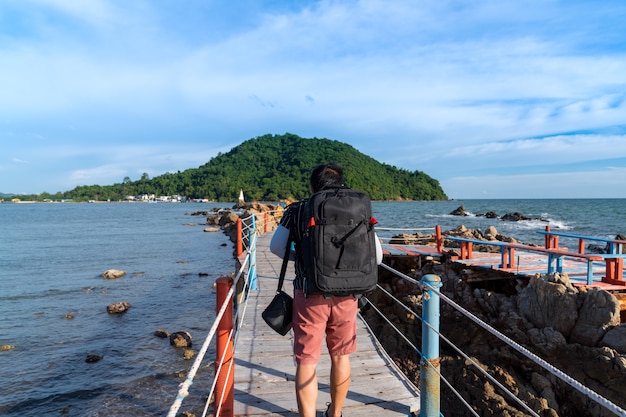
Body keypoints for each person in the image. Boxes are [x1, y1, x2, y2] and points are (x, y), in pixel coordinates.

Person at [270, 162, 383, 417]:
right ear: (341, 182)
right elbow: (377, 257)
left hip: (310, 293)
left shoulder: (298, 209)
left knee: (307, 361)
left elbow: (276, 248)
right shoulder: (358, 208)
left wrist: (303, 259)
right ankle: (336, 413)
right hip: (348, 294)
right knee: (341, 357)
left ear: (313, 186)